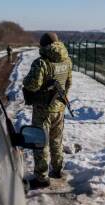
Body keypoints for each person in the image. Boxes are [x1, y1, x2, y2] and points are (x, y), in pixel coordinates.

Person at [22, 32, 72, 189]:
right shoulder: (67, 60)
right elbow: (68, 84)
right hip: (59, 107)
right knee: (56, 140)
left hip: (43, 110)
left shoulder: (41, 62)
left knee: (40, 142)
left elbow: (32, 85)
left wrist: (25, 80)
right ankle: (57, 170)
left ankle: (42, 178)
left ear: (43, 45)